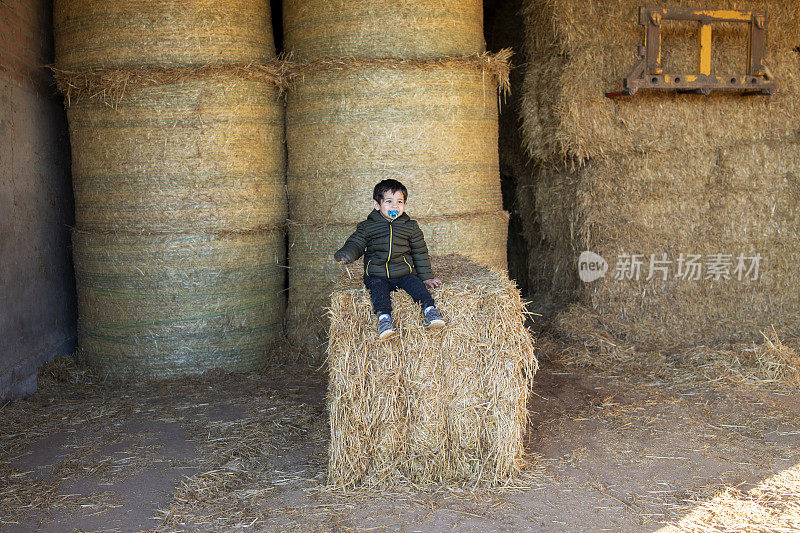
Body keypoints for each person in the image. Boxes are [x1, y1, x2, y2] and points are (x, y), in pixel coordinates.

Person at [334, 179, 445, 340]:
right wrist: (347, 255)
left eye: (399, 202)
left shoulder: (411, 227)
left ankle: (430, 311)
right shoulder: (367, 227)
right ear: (377, 205)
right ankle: (384, 319)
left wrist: (426, 276)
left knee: (418, 286)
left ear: (405, 205)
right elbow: (356, 243)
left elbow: (420, 252)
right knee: (378, 292)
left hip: (404, 273)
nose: (395, 206)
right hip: (377, 274)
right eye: (389, 201)